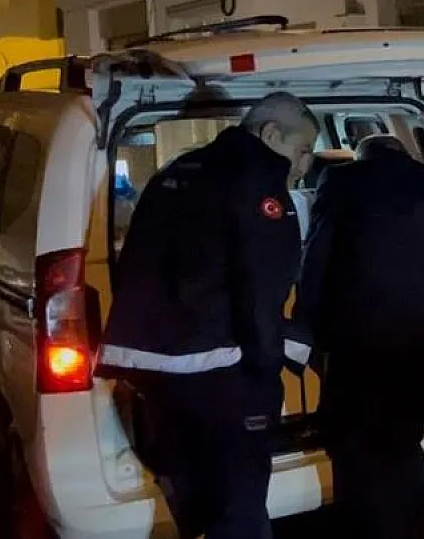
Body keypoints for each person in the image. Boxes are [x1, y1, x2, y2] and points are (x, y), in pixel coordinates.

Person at [95, 92, 319, 539]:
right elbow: (261, 290)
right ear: (270, 134)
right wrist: (269, 366)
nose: (305, 164)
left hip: (153, 370)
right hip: (218, 373)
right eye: (303, 149)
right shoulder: (259, 181)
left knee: (192, 494)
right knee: (239, 508)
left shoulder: (177, 170)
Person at [293, 133, 424, 537]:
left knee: (352, 443)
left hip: (358, 342)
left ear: (362, 157)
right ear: (406, 155)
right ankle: (403, 524)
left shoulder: (342, 182)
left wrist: (309, 335)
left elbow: (317, 260)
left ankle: (362, 527)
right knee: (403, 440)